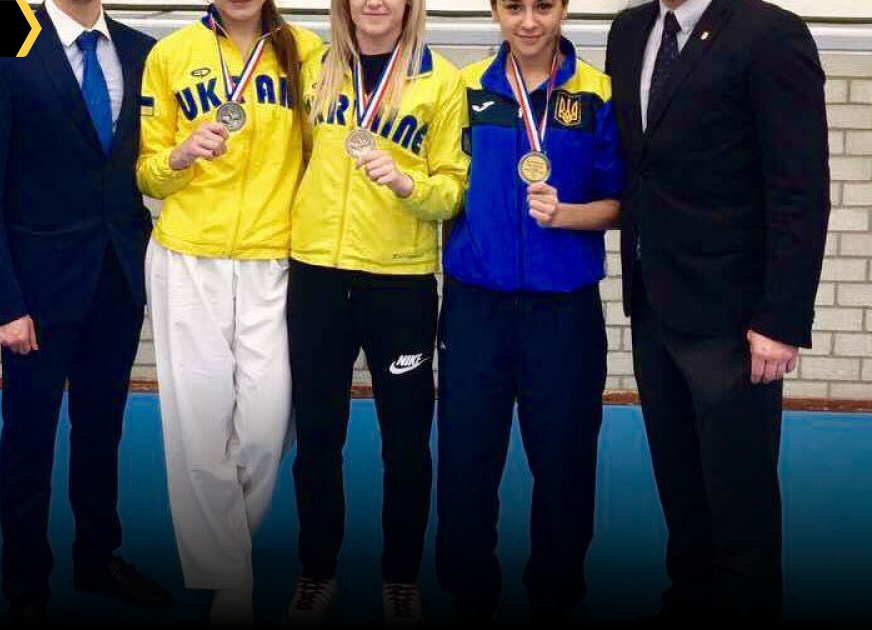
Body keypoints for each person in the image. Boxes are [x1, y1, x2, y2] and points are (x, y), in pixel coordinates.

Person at [605, 0, 830, 624]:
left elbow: (800, 189)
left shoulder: (771, 35)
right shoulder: (629, 32)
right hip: (654, 302)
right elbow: (639, 167)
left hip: (735, 316)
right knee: (680, 490)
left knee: (739, 502)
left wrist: (781, 319)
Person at [0, 0, 172, 625]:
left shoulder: (141, 51)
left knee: (102, 431)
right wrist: (2, 302)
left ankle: (98, 557)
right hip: (36, 292)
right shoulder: (1, 46)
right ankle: (25, 584)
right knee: (29, 439)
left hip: (117, 281)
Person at [434, 0, 624, 624]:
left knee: (565, 458)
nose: (529, 21)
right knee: (466, 454)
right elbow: (444, 185)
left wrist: (567, 215)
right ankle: (469, 595)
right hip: (476, 303)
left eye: (544, 5)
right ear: (495, 11)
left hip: (562, 307)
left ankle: (556, 596)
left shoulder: (597, 92)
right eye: (514, 6)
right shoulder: (465, 87)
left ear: (564, 8)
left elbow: (620, 200)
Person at [281, 0, 468, 625]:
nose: (375, 2)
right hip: (317, 274)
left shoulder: (440, 80)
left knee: (407, 444)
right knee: (317, 438)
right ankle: (316, 571)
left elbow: (454, 189)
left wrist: (410, 184)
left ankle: (401, 578)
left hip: (399, 282)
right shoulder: (314, 68)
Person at [135, 0, 321, 625]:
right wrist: (181, 155)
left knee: (267, 427)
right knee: (199, 424)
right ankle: (228, 578)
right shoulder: (171, 55)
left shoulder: (309, 52)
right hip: (190, 256)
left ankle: (227, 548)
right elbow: (147, 174)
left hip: (275, 256)